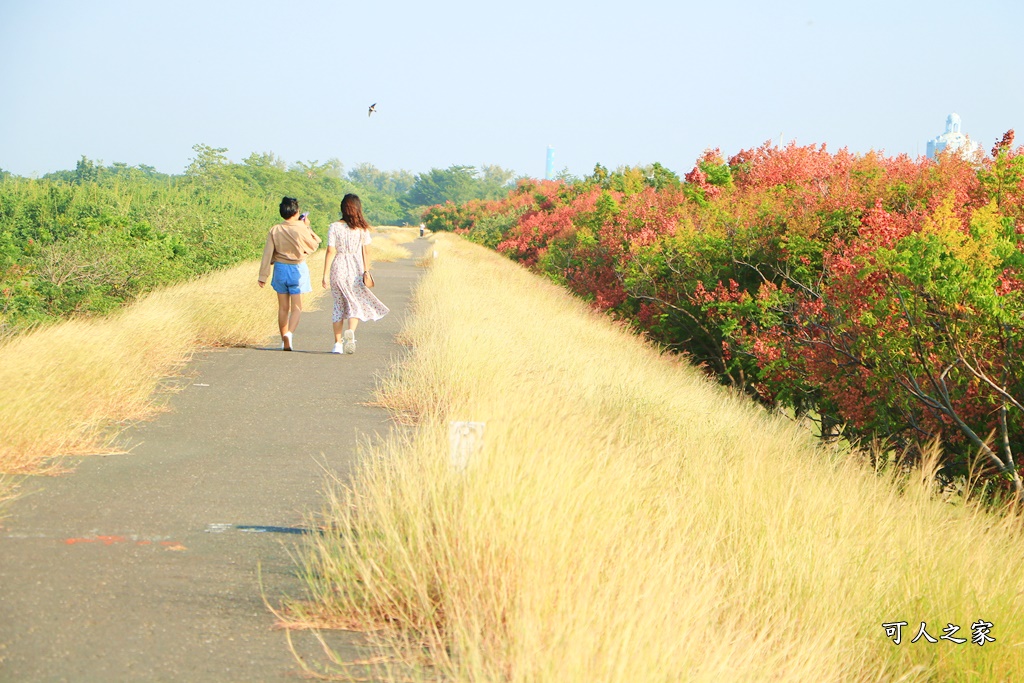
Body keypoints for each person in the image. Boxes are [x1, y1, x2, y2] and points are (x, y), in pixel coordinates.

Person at [322, 194, 390, 354]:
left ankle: (337, 344)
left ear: (342, 208)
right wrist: (366, 270)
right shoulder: (362, 229)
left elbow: (331, 250)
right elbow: (366, 251)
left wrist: (324, 274)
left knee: (339, 304)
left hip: (338, 267)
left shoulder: (334, 227)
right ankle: (350, 333)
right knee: (355, 304)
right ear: (358, 209)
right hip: (355, 269)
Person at [258, 197, 321, 351]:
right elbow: (315, 244)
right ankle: (289, 334)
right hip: (297, 268)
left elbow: (267, 254)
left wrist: (263, 276)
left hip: (280, 269)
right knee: (297, 307)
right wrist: (307, 227)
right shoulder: (301, 229)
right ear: (297, 212)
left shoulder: (275, 229)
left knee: (283, 308)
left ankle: (283, 338)